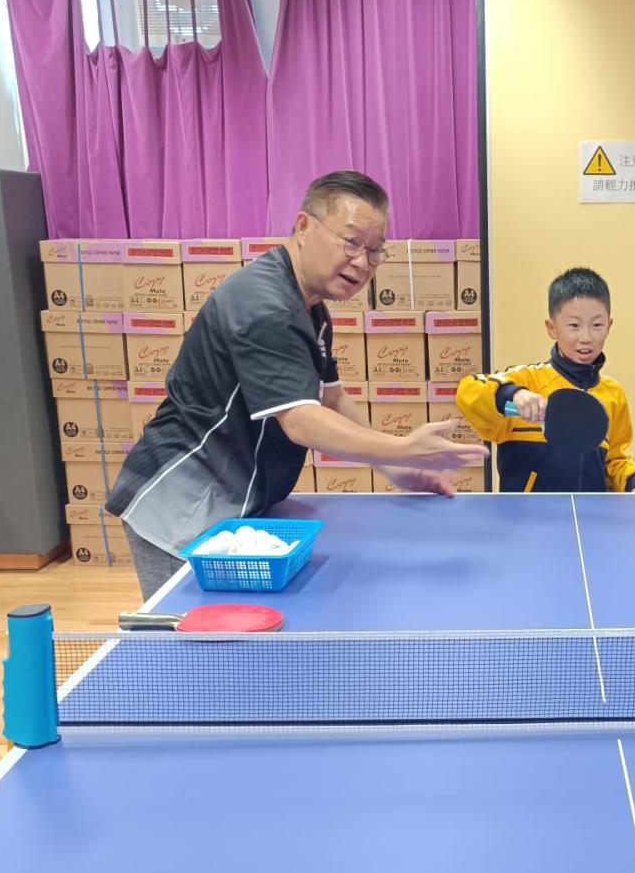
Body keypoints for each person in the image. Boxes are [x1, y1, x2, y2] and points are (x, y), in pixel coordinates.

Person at [106, 171, 486, 599]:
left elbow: (332, 397)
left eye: (375, 250)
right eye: (352, 242)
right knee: (191, 636)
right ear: (304, 226)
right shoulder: (265, 305)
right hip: (181, 507)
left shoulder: (310, 307)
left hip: (231, 503)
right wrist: (400, 449)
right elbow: (301, 420)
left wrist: (392, 467)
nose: (363, 262)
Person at [454, 267, 635, 493]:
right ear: (552, 328)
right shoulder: (527, 380)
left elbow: (616, 458)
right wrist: (512, 394)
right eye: (574, 326)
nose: (586, 337)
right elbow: (468, 390)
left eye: (597, 325)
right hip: (526, 514)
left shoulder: (613, 394)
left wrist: (634, 481)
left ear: (609, 326)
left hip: (591, 513)